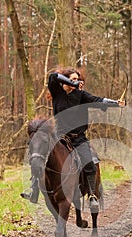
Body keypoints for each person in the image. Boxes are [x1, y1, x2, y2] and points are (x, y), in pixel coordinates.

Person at [21, 67, 125, 207]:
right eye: (73, 79)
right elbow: (53, 76)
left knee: (90, 163)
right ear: (65, 80)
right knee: (38, 156)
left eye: (77, 79)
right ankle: (33, 189)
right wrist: (73, 83)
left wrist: (115, 103)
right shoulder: (57, 92)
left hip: (78, 138)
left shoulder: (81, 95)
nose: (76, 82)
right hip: (59, 137)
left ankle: (92, 194)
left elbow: (98, 100)